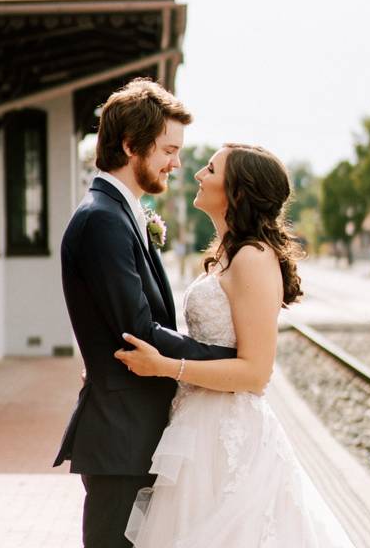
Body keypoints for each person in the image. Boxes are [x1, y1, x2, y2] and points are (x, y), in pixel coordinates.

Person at [115, 144, 357, 547]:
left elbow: (256, 372)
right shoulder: (226, 255)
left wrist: (166, 367)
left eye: (209, 169)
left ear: (238, 192)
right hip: (197, 425)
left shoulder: (253, 259)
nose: (197, 175)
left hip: (231, 436)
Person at [54, 78, 237, 548]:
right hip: (120, 437)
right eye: (168, 150)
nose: (177, 163)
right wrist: (225, 359)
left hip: (136, 429)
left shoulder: (122, 212)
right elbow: (138, 331)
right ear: (132, 145)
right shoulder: (102, 220)